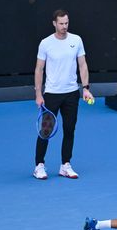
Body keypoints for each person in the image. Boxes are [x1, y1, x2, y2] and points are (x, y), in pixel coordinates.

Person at [33, 9, 93, 180]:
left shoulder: (76, 40)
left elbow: (82, 65)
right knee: (46, 130)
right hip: (51, 94)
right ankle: (39, 165)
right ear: (54, 23)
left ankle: (65, 165)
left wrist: (86, 88)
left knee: (69, 130)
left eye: (66, 23)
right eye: (61, 23)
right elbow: (39, 69)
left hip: (71, 94)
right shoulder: (45, 43)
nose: (64, 26)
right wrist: (38, 93)